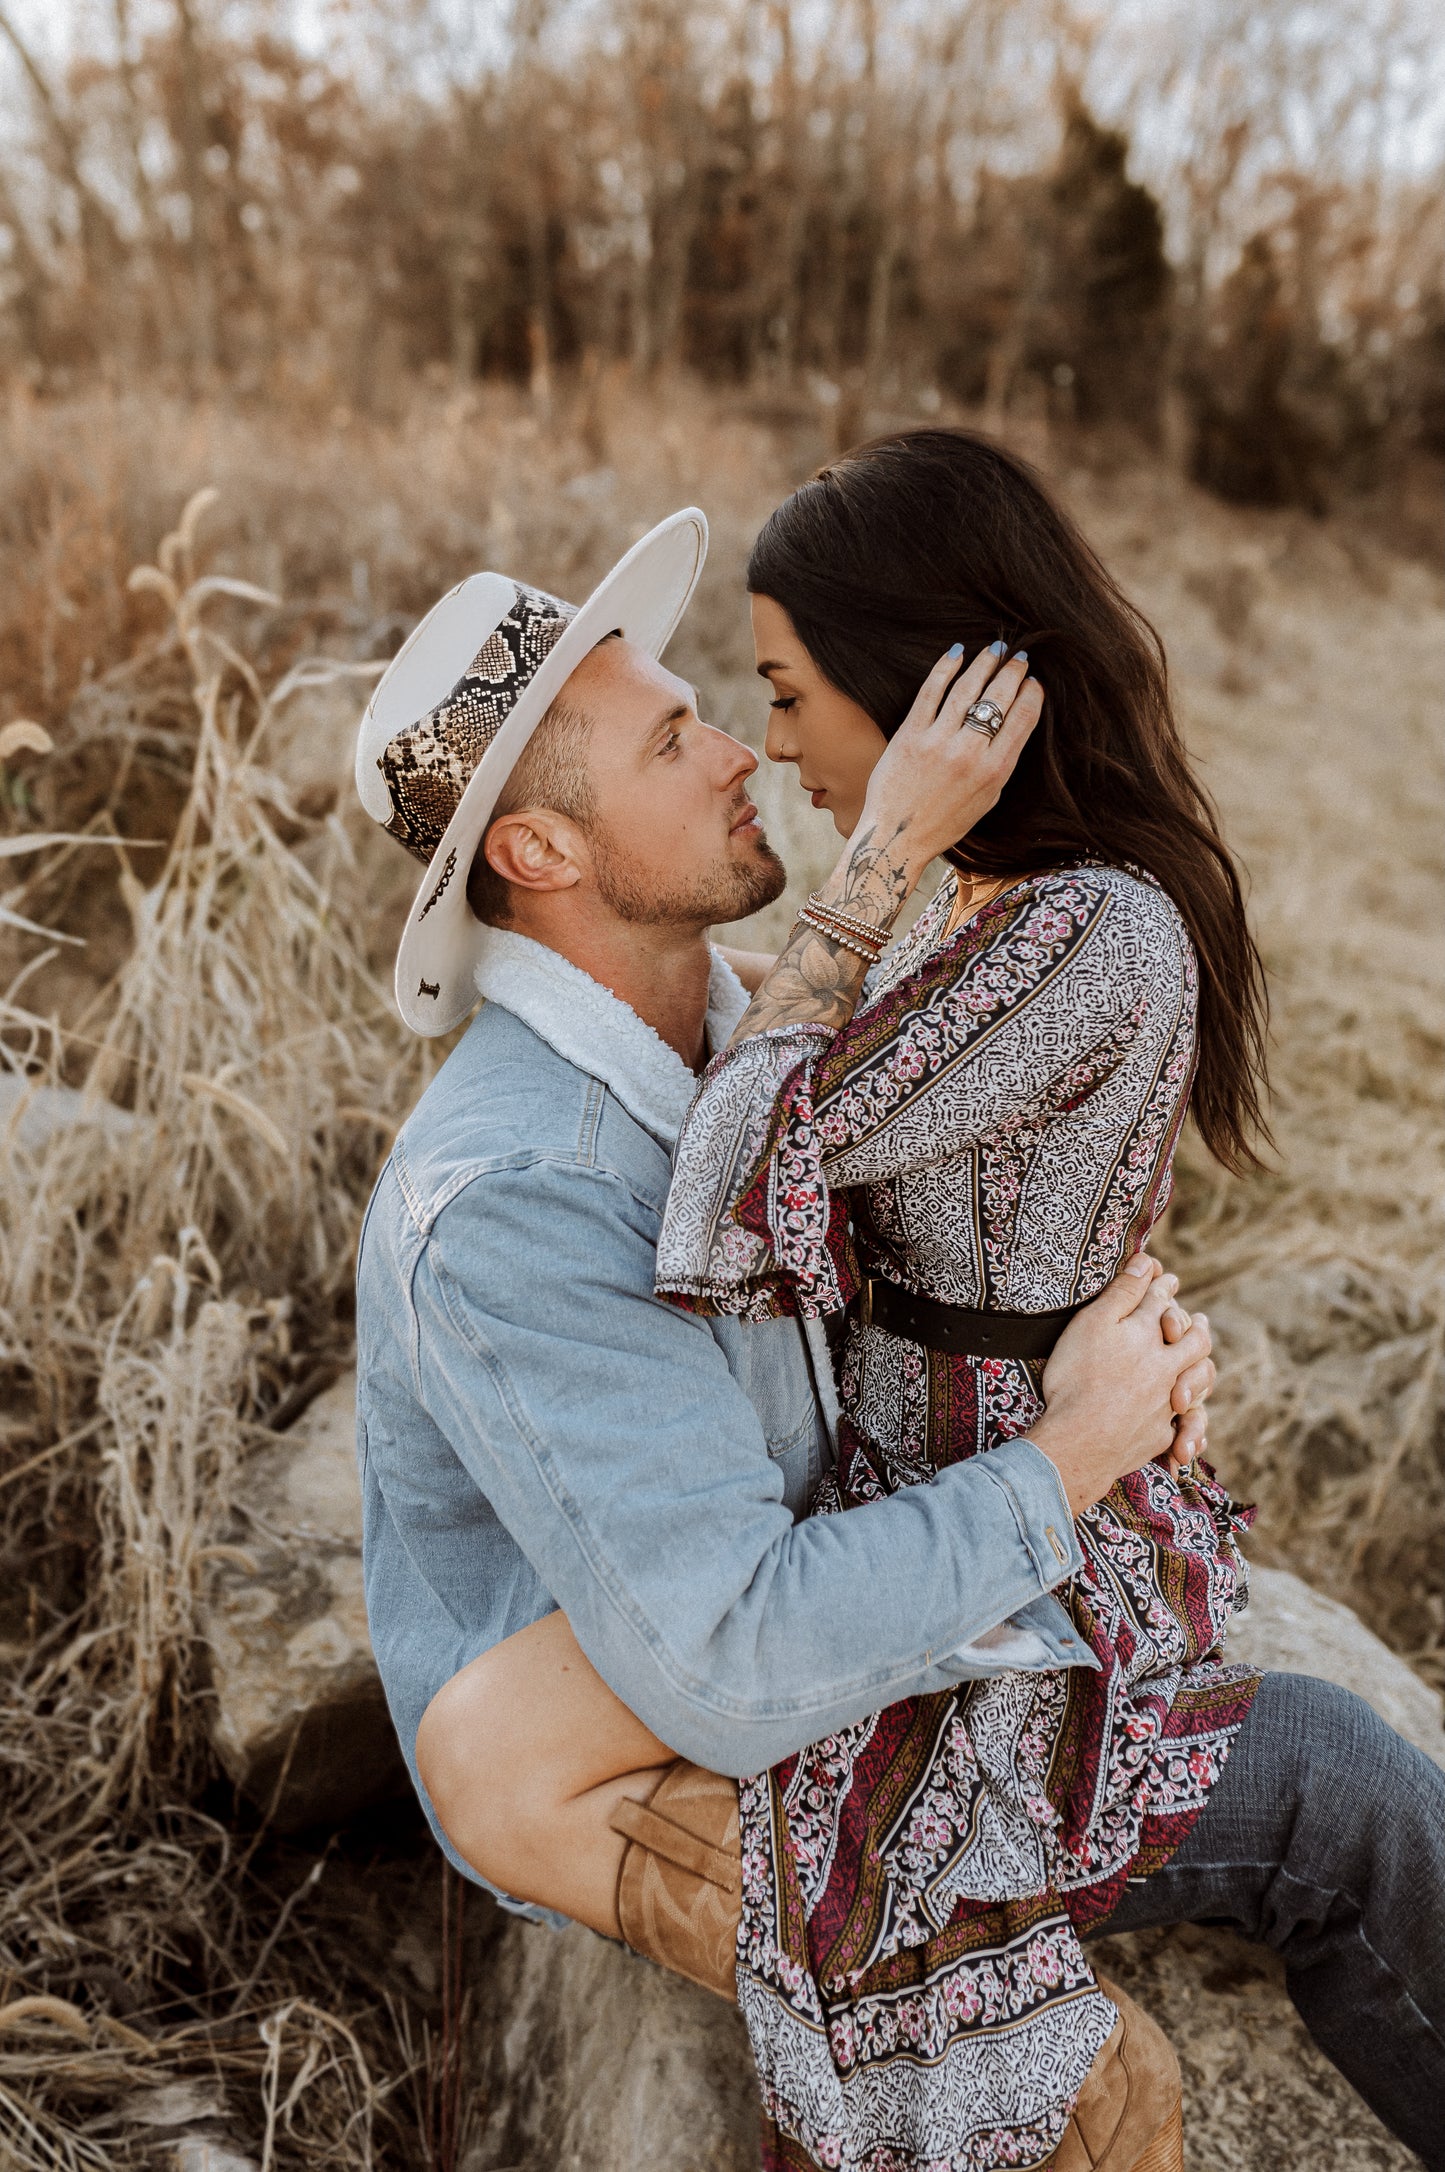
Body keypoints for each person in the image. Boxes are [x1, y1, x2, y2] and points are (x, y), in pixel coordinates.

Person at [354, 501, 1445, 2172]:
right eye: (672, 738)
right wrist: (1068, 1455)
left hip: (823, 1608)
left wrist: (1103, 1345)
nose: (737, 751)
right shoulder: (509, 1198)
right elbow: (725, 1659)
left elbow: (921, 1215)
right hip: (619, 1740)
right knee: (1092, 2096)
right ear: (541, 855)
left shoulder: (732, 1018)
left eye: (727, 702)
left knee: (1343, 1783)